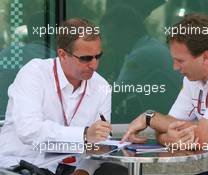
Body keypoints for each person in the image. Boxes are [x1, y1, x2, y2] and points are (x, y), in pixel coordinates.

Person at [121, 13, 208, 175]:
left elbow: (201, 138)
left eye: (180, 61)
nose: (175, 67)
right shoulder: (192, 79)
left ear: (206, 57)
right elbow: (167, 127)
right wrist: (169, 137)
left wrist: (150, 118)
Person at [0, 18, 127, 175]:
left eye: (98, 56)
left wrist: (84, 171)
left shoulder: (101, 87)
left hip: (69, 168)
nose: (94, 65)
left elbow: (99, 144)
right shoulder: (34, 73)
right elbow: (29, 131)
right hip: (21, 165)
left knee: (116, 170)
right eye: (86, 58)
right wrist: (85, 134)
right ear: (62, 54)